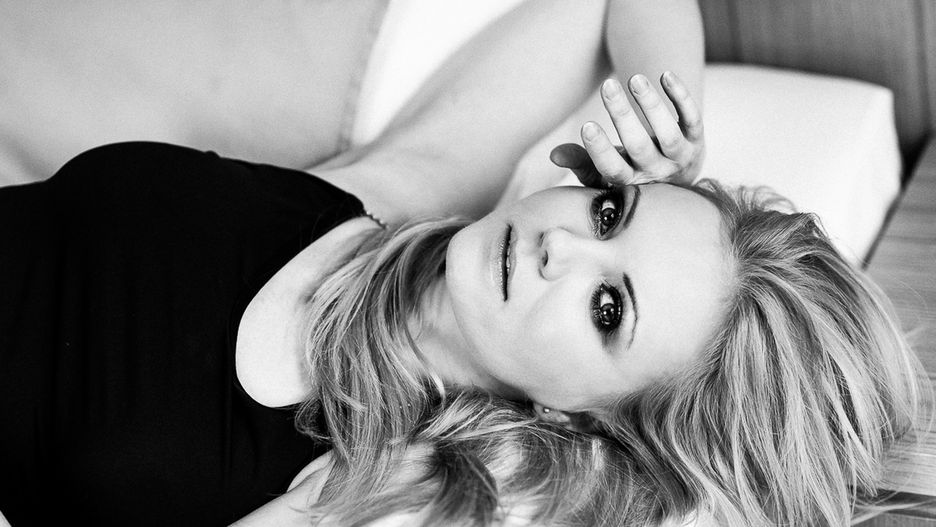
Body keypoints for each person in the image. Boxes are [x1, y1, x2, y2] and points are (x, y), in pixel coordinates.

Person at [0, 2, 925, 527]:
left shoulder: (345, 491)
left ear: (595, 422)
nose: (564, 245)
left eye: (608, 308)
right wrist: (671, 134)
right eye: (610, 213)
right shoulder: (390, 195)